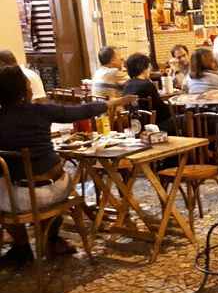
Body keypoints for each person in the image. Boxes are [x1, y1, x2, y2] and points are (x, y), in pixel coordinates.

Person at [0, 65, 136, 268]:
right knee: (56, 188)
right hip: (56, 189)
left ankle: (21, 247)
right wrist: (113, 102)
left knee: (3, 188)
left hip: (18, 198)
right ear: (24, 89)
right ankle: (52, 239)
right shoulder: (41, 111)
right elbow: (80, 111)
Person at [123, 53, 173, 131]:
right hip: (153, 126)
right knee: (178, 119)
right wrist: (172, 109)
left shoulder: (126, 85)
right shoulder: (147, 84)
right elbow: (161, 110)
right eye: (149, 66)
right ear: (143, 68)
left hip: (136, 126)